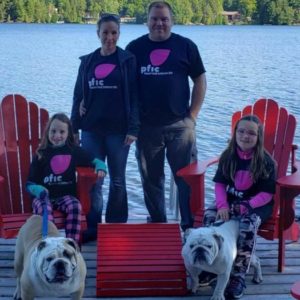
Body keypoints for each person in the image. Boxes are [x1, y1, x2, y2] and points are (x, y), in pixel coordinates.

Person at [126, 1, 207, 231]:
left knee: (186, 180)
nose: (159, 23)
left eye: (164, 19)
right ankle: (159, 225)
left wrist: (192, 115)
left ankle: (189, 227)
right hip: (147, 128)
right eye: (154, 18)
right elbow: (124, 86)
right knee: (151, 181)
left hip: (181, 126)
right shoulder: (135, 48)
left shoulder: (185, 46)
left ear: (172, 21)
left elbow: (200, 80)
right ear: (147, 21)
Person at [71, 13, 139, 240]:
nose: (109, 37)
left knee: (118, 180)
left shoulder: (127, 60)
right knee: (95, 180)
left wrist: (133, 128)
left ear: (119, 34)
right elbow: (78, 95)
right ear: (98, 33)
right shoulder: (88, 61)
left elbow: (135, 98)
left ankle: (116, 225)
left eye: (113, 33)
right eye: (105, 33)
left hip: (119, 132)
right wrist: (74, 128)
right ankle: (93, 227)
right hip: (91, 130)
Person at [199, 114, 276, 299]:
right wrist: (222, 205)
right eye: (241, 131)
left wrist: (248, 205)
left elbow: (267, 194)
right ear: (235, 133)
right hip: (231, 201)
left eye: (251, 133)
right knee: (210, 216)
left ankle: (239, 275)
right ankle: (213, 264)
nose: (245, 136)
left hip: (258, 205)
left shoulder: (266, 161)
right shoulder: (228, 156)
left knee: (247, 224)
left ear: (258, 137)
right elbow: (219, 185)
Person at [26, 113, 107, 244]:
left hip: (65, 196)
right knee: (45, 210)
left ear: (68, 133)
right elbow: (29, 184)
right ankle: (49, 245)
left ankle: (72, 247)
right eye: (53, 131)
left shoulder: (74, 151)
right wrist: (38, 190)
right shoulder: (41, 154)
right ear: (47, 132)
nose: (57, 135)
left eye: (62, 132)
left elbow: (95, 161)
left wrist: (101, 166)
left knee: (75, 206)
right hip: (43, 197)